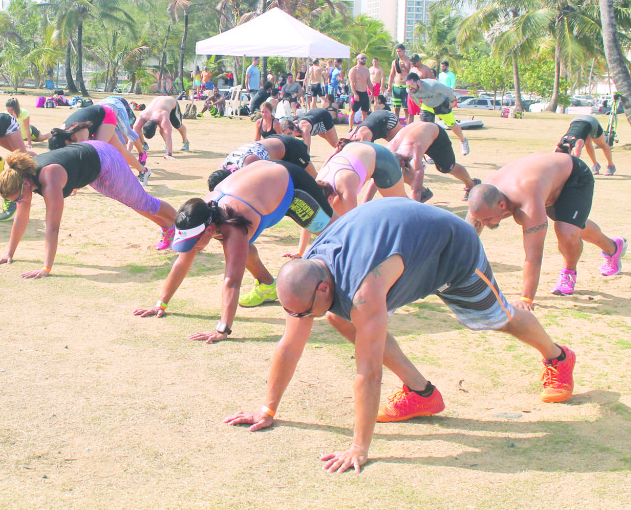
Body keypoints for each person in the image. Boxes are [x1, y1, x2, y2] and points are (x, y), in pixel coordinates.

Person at [224, 199, 577, 474]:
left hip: (452, 253)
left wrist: (358, 448)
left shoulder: (365, 291)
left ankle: (558, 356)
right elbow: (290, 345)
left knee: (498, 318)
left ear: (322, 286)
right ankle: (421, 393)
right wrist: (267, 408)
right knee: (338, 317)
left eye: (302, 312)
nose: (300, 320)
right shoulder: (310, 269)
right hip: (407, 250)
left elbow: (368, 372)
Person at [132, 160, 334, 338]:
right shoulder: (200, 212)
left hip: (293, 184)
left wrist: (223, 329)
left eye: (192, 243)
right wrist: (161, 303)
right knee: (240, 250)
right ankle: (268, 286)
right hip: (266, 182)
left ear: (209, 230)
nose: (190, 248)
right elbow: (182, 262)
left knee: (334, 235)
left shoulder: (233, 228)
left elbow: (232, 281)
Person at [0, 142, 178, 277]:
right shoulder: (22, 176)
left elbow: (52, 228)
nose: (20, 202)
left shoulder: (49, 179)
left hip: (105, 158)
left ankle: (187, 225)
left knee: (143, 201)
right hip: (91, 164)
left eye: (19, 197)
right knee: (132, 201)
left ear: (26, 184)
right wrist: (9, 254)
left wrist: (46, 268)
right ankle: (168, 226)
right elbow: (21, 219)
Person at [466, 153, 625, 303]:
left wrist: (526, 299)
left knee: (566, 230)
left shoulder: (528, 204)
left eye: (487, 219)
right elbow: (465, 238)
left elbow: (534, 254)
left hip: (573, 176)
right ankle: (613, 247)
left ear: (501, 205)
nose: (484, 224)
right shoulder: (483, 198)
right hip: (545, 183)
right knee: (573, 223)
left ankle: (569, 272)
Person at [386, 121, 478, 203]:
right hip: (417, 137)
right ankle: (424, 192)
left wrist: (413, 212)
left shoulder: (414, 158)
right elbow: (376, 179)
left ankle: (472, 184)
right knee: (392, 171)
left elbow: (415, 190)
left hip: (436, 137)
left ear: (402, 163)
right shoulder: (386, 152)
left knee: (447, 167)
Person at [210, 135, 316, 190]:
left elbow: (266, 185)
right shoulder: (222, 167)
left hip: (291, 147)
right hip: (272, 144)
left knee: (316, 181)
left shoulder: (249, 163)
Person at [405, 74, 469, 155]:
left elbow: (448, 90)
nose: (410, 88)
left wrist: (452, 100)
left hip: (441, 104)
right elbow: (412, 96)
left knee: (452, 125)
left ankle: (463, 141)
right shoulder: (410, 90)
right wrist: (419, 105)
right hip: (427, 106)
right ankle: (431, 152)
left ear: (418, 82)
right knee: (426, 129)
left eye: (412, 85)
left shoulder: (433, 85)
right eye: (408, 86)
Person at [99, 95, 145, 161]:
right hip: (105, 105)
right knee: (116, 132)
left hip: (117, 103)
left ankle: (142, 153)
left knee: (127, 130)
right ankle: (123, 158)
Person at [347, 54, 372, 129]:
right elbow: (351, 83)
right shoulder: (354, 70)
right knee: (353, 111)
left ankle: (363, 128)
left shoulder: (366, 70)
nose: (364, 59)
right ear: (358, 59)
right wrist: (355, 94)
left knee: (365, 112)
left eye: (365, 58)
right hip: (357, 92)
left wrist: (372, 92)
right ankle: (350, 128)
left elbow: (369, 82)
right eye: (362, 58)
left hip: (364, 93)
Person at [387, 44, 410, 119]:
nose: (398, 53)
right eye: (397, 51)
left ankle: (408, 123)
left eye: (400, 51)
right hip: (397, 85)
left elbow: (413, 72)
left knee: (406, 107)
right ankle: (396, 122)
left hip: (406, 86)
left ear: (404, 51)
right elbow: (392, 74)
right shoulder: (395, 61)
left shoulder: (409, 60)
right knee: (396, 107)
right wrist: (389, 86)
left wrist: (405, 67)